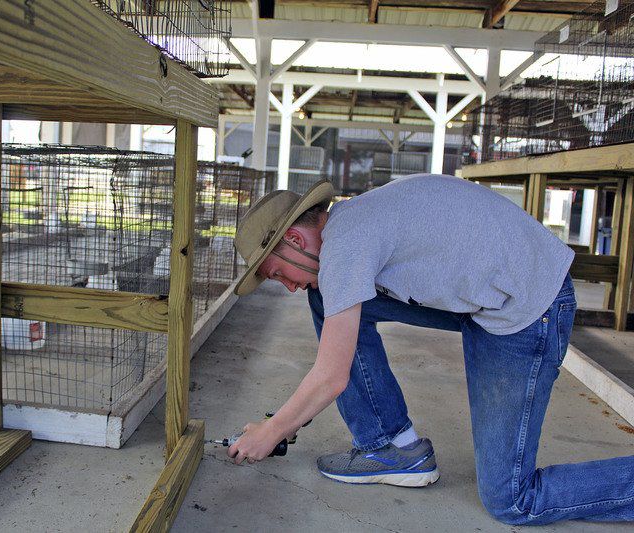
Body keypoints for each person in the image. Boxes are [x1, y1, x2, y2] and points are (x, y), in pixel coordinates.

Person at [227, 174, 634, 525]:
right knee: (325, 298)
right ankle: (393, 447)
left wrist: (275, 429)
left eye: (278, 273)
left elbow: (332, 375)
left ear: (296, 239)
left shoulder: (346, 245)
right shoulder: (351, 223)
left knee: (511, 500)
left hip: (530, 309)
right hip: (488, 295)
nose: (289, 286)